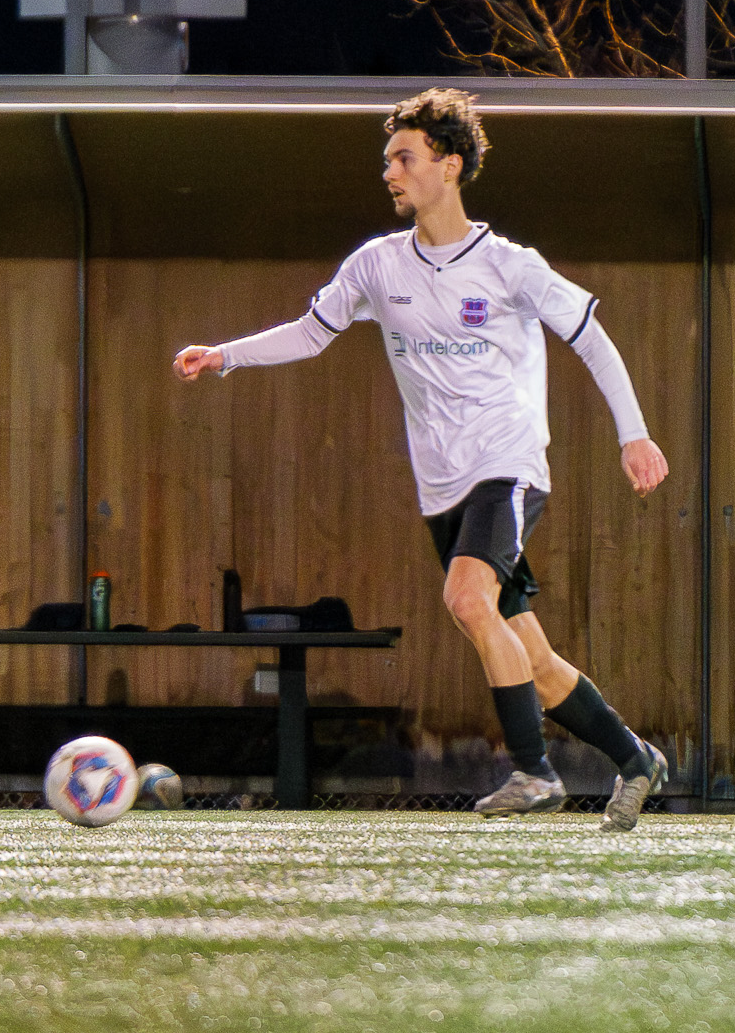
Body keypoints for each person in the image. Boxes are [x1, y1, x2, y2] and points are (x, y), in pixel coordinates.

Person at [174, 88, 670, 829]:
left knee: (467, 601)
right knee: (525, 650)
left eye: (404, 158)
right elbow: (312, 333)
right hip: (441, 484)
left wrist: (635, 433)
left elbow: (592, 340)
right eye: (387, 160)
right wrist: (224, 357)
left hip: (506, 463)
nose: (390, 173)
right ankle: (636, 758)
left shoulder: (510, 266)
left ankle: (534, 773)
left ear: (451, 166)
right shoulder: (378, 266)